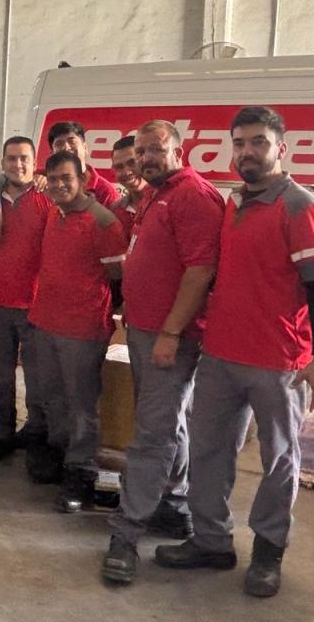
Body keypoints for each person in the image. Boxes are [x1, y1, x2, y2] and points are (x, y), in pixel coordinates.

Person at [155, 106, 314, 598]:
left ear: (281, 148)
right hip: (222, 354)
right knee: (209, 450)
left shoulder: (300, 207)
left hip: (279, 362)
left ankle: (269, 552)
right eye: (239, 143)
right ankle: (211, 541)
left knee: (278, 460)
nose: (247, 151)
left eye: (258, 142)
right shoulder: (234, 202)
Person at [102, 120, 225, 585]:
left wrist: (171, 332)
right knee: (170, 421)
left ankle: (127, 533)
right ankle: (173, 506)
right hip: (146, 329)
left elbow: (200, 270)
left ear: (179, 150)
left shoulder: (193, 195)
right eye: (141, 151)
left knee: (152, 434)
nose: (146, 158)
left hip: (169, 336)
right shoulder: (156, 194)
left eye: (155, 149)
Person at [25, 151, 127, 513]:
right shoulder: (54, 212)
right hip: (46, 324)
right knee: (52, 397)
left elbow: (118, 278)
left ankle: (81, 473)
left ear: (83, 179)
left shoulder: (103, 221)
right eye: (52, 179)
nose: (58, 185)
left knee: (81, 405)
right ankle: (60, 455)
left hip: (83, 331)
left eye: (66, 178)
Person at [0, 137, 52, 463]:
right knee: (1, 377)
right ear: (3, 162)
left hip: (35, 305)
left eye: (24, 158)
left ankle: (36, 437)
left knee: (36, 380)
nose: (17, 164)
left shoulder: (48, 198)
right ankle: (2, 434)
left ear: (35, 162)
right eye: (11, 158)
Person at [45, 121, 120, 207]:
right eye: (59, 144)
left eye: (72, 142)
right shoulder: (41, 185)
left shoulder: (107, 193)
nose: (66, 148)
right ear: (51, 153)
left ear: (85, 148)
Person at [109, 135, 151, 237]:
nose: (127, 172)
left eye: (132, 163)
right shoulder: (114, 211)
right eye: (119, 167)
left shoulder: (167, 204)